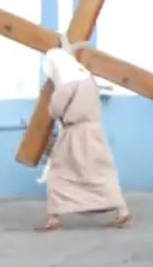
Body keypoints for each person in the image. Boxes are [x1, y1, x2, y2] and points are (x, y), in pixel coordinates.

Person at [35, 45, 132, 231]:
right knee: (101, 172)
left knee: (59, 172)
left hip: (74, 134)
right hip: (94, 131)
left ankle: (54, 217)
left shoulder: (66, 83)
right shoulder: (87, 77)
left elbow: (55, 110)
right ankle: (122, 211)